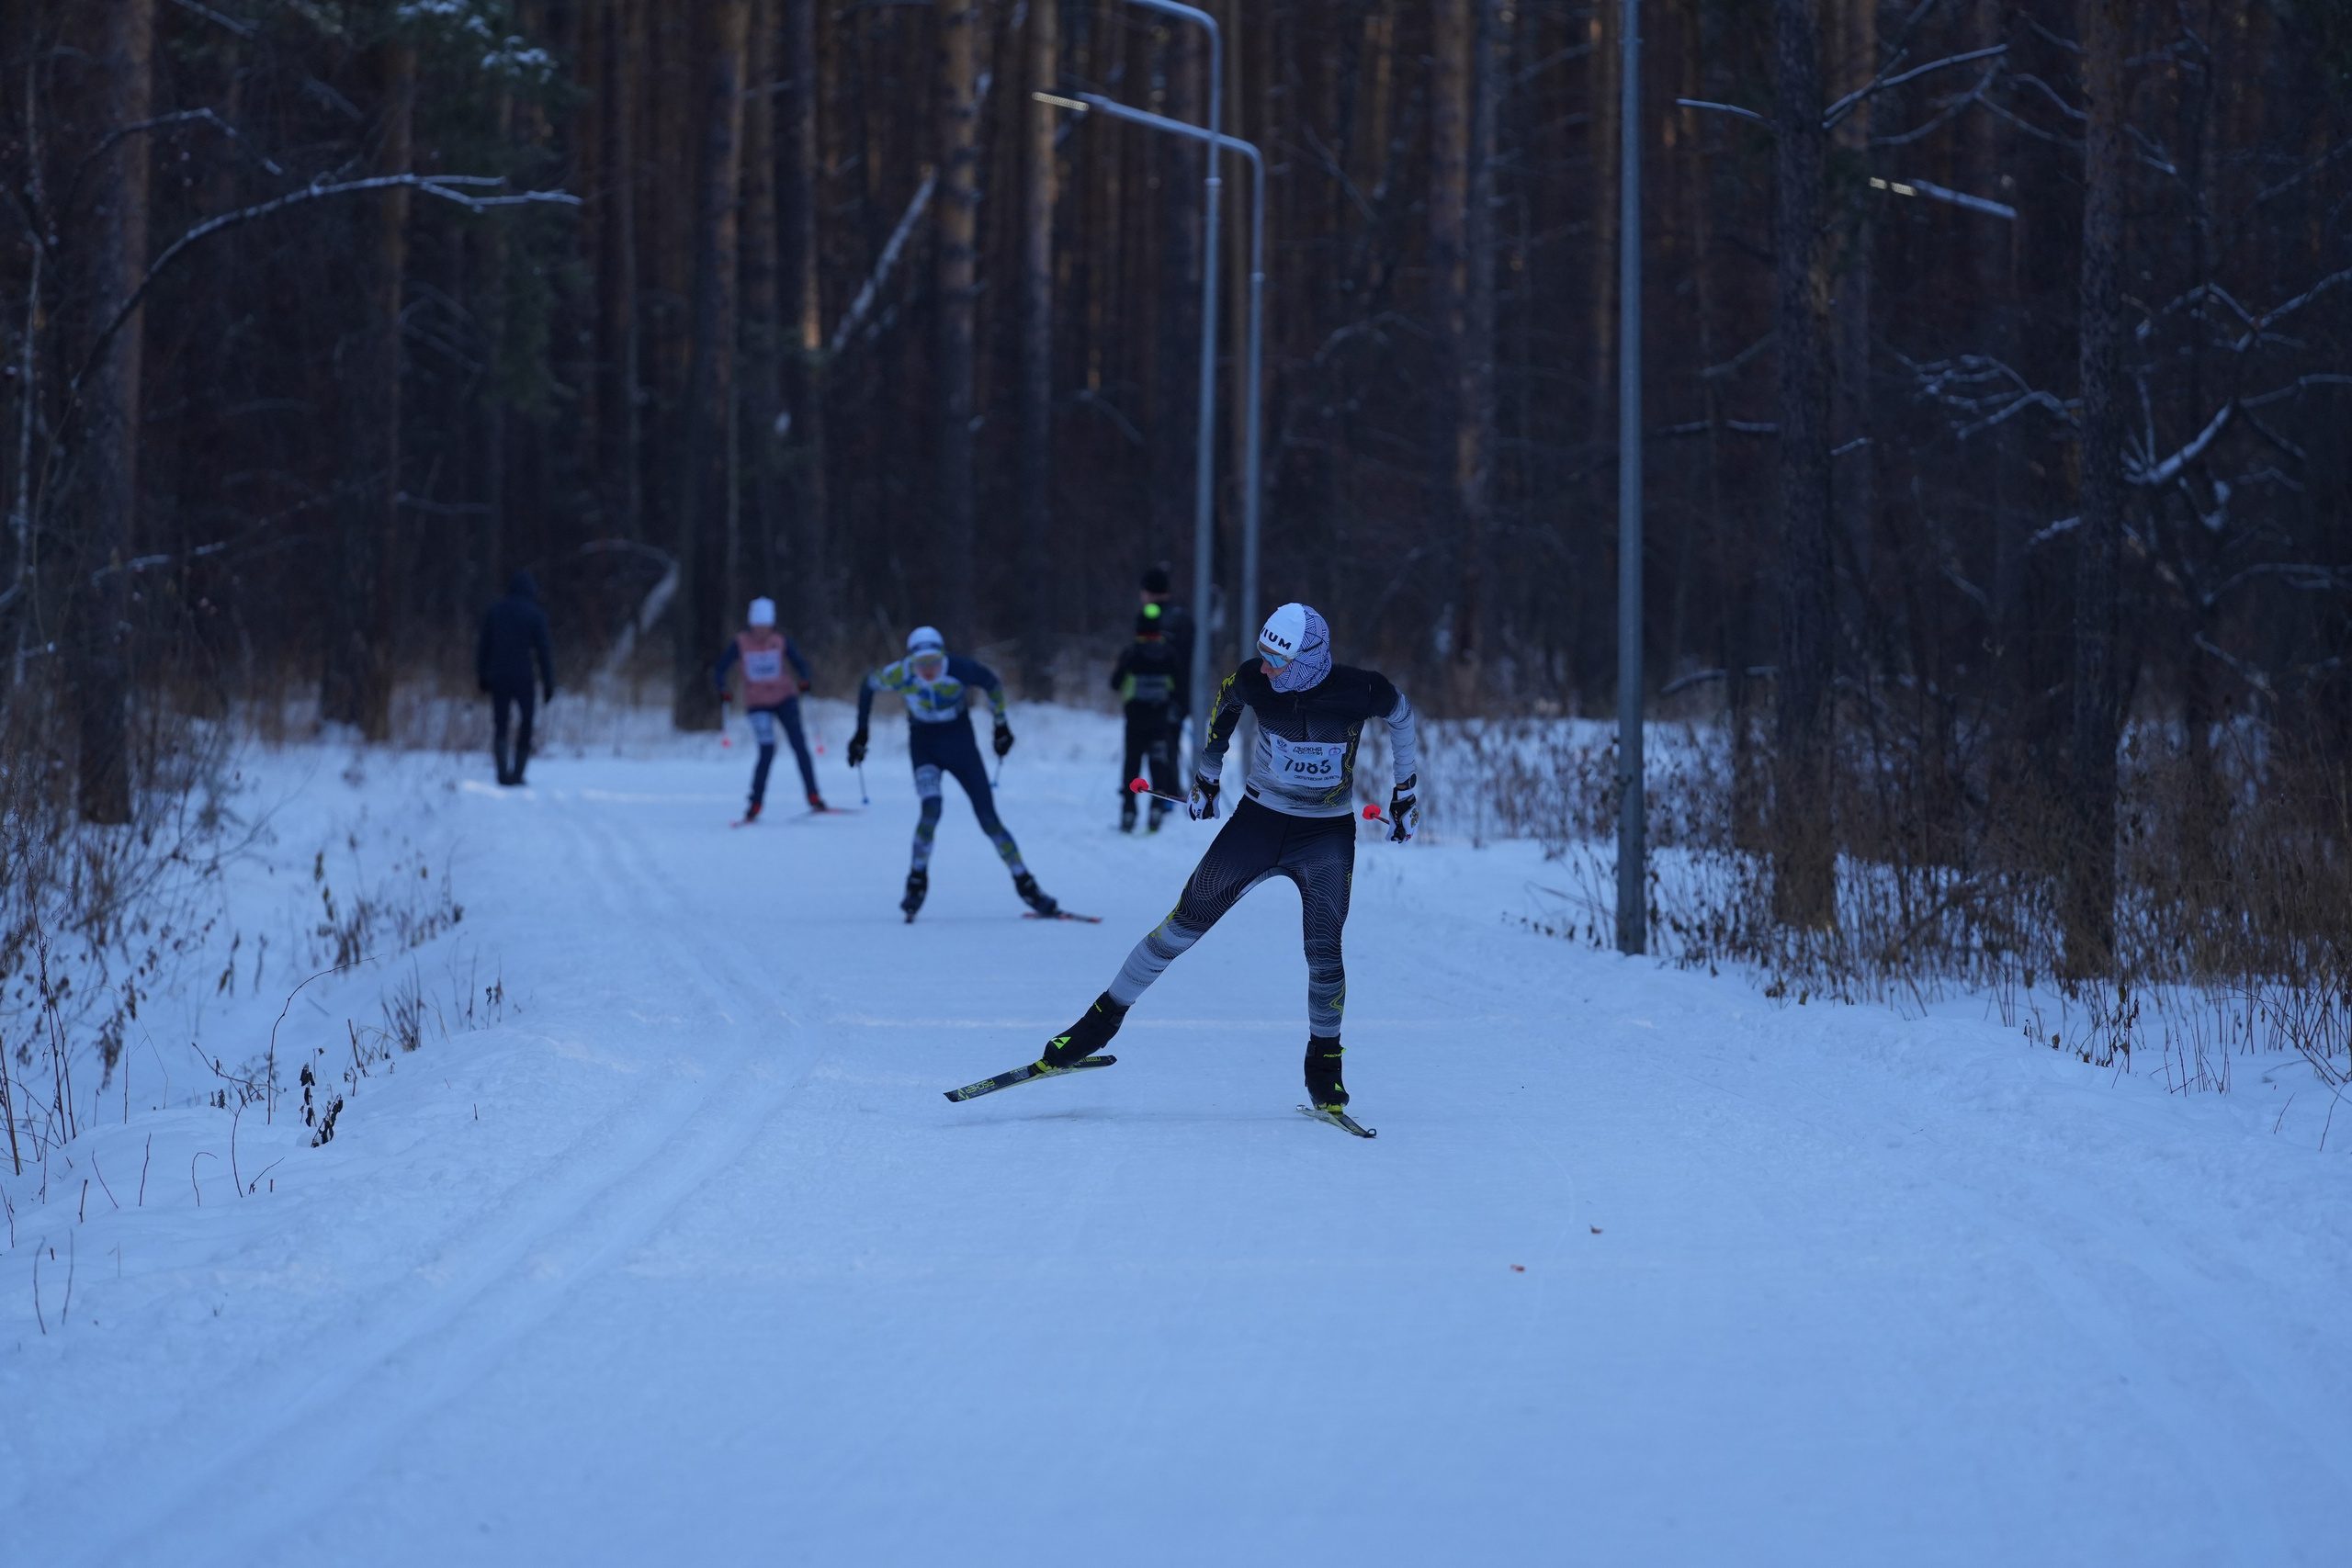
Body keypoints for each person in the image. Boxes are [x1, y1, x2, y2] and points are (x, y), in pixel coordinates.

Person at [1018, 604, 1418, 1125]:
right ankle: (1095, 1026)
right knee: (1182, 925)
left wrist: (1405, 792)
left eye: (1278, 659)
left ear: (1308, 660)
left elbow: (1403, 718)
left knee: (1324, 950)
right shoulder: (1255, 680)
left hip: (1324, 835)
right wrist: (1207, 775)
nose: (1266, 668)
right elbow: (1225, 705)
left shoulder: (1360, 689)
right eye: (1264, 656)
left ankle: (1324, 1066)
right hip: (1257, 824)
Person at [848, 626, 1061, 922]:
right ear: (912, 661)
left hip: (961, 748)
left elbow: (992, 684)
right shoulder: (900, 673)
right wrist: (861, 734)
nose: (929, 670)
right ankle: (916, 880)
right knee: (931, 809)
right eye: (922, 664)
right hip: (925, 748)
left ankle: (1027, 884)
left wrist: (1001, 725)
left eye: (934, 662)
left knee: (989, 819)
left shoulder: (960, 668)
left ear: (943, 656)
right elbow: (867, 685)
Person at [713, 596, 825, 821]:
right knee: (766, 751)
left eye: (766, 625)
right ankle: (755, 805)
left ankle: (814, 796)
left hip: (785, 698)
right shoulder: (741, 642)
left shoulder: (780, 640)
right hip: (757, 704)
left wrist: (804, 678)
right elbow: (720, 669)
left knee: (800, 747)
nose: (762, 631)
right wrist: (723, 688)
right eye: (758, 625)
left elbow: (800, 663)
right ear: (752, 624)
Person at [476, 570, 556, 786]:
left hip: (499, 676)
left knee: (500, 723)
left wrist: (482, 676)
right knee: (526, 722)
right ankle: (518, 773)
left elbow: (484, 648)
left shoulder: (495, 611)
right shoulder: (535, 615)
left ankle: (502, 773)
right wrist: (549, 684)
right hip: (524, 678)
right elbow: (543, 652)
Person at [1109, 605, 1183, 832]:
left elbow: (1115, 683)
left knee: (1132, 764)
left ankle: (1129, 811)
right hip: (1160, 718)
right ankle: (1156, 809)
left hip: (1135, 718)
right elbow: (1177, 686)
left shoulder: (1131, 653)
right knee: (1158, 764)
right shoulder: (1169, 654)